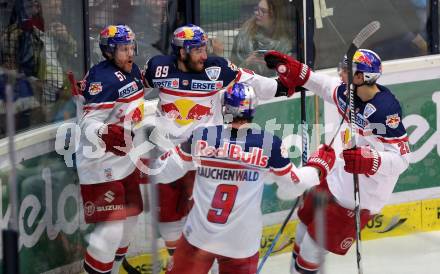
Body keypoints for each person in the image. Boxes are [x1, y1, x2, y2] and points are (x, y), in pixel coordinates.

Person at [142, 23, 295, 259]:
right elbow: (131, 86)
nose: (205, 55)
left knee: (207, 227)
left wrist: (284, 85)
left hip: (205, 157)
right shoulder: (158, 68)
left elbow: (254, 84)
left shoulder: (217, 69)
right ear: (181, 52)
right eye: (198, 50)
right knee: (168, 223)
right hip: (168, 155)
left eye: (205, 48)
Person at [149, 83, 336, 274]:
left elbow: (163, 171)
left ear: (224, 107)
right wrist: (318, 168)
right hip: (241, 243)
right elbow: (293, 186)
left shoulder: (202, 136)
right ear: (252, 109)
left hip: (200, 236)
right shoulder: (268, 143)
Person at [263, 49, 411, 274]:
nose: (340, 73)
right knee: (302, 230)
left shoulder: (385, 110)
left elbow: (402, 159)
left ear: (361, 77)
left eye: (346, 70)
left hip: (362, 194)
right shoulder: (349, 92)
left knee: (311, 252)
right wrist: (291, 67)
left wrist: (369, 160)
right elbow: (322, 85)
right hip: (336, 176)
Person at [76, 25, 145, 274]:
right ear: (108, 51)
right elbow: (87, 123)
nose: (130, 53)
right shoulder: (101, 79)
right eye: (123, 49)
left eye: (131, 47)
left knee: (131, 219)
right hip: (100, 163)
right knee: (111, 229)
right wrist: (105, 134)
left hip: (124, 160)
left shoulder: (133, 70)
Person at [227, 0, 295, 76]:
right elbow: (232, 67)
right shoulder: (245, 33)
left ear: (274, 16)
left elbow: (288, 72)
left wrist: (270, 66)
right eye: (257, 9)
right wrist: (247, 63)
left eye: (263, 11)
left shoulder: (286, 43)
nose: (257, 13)